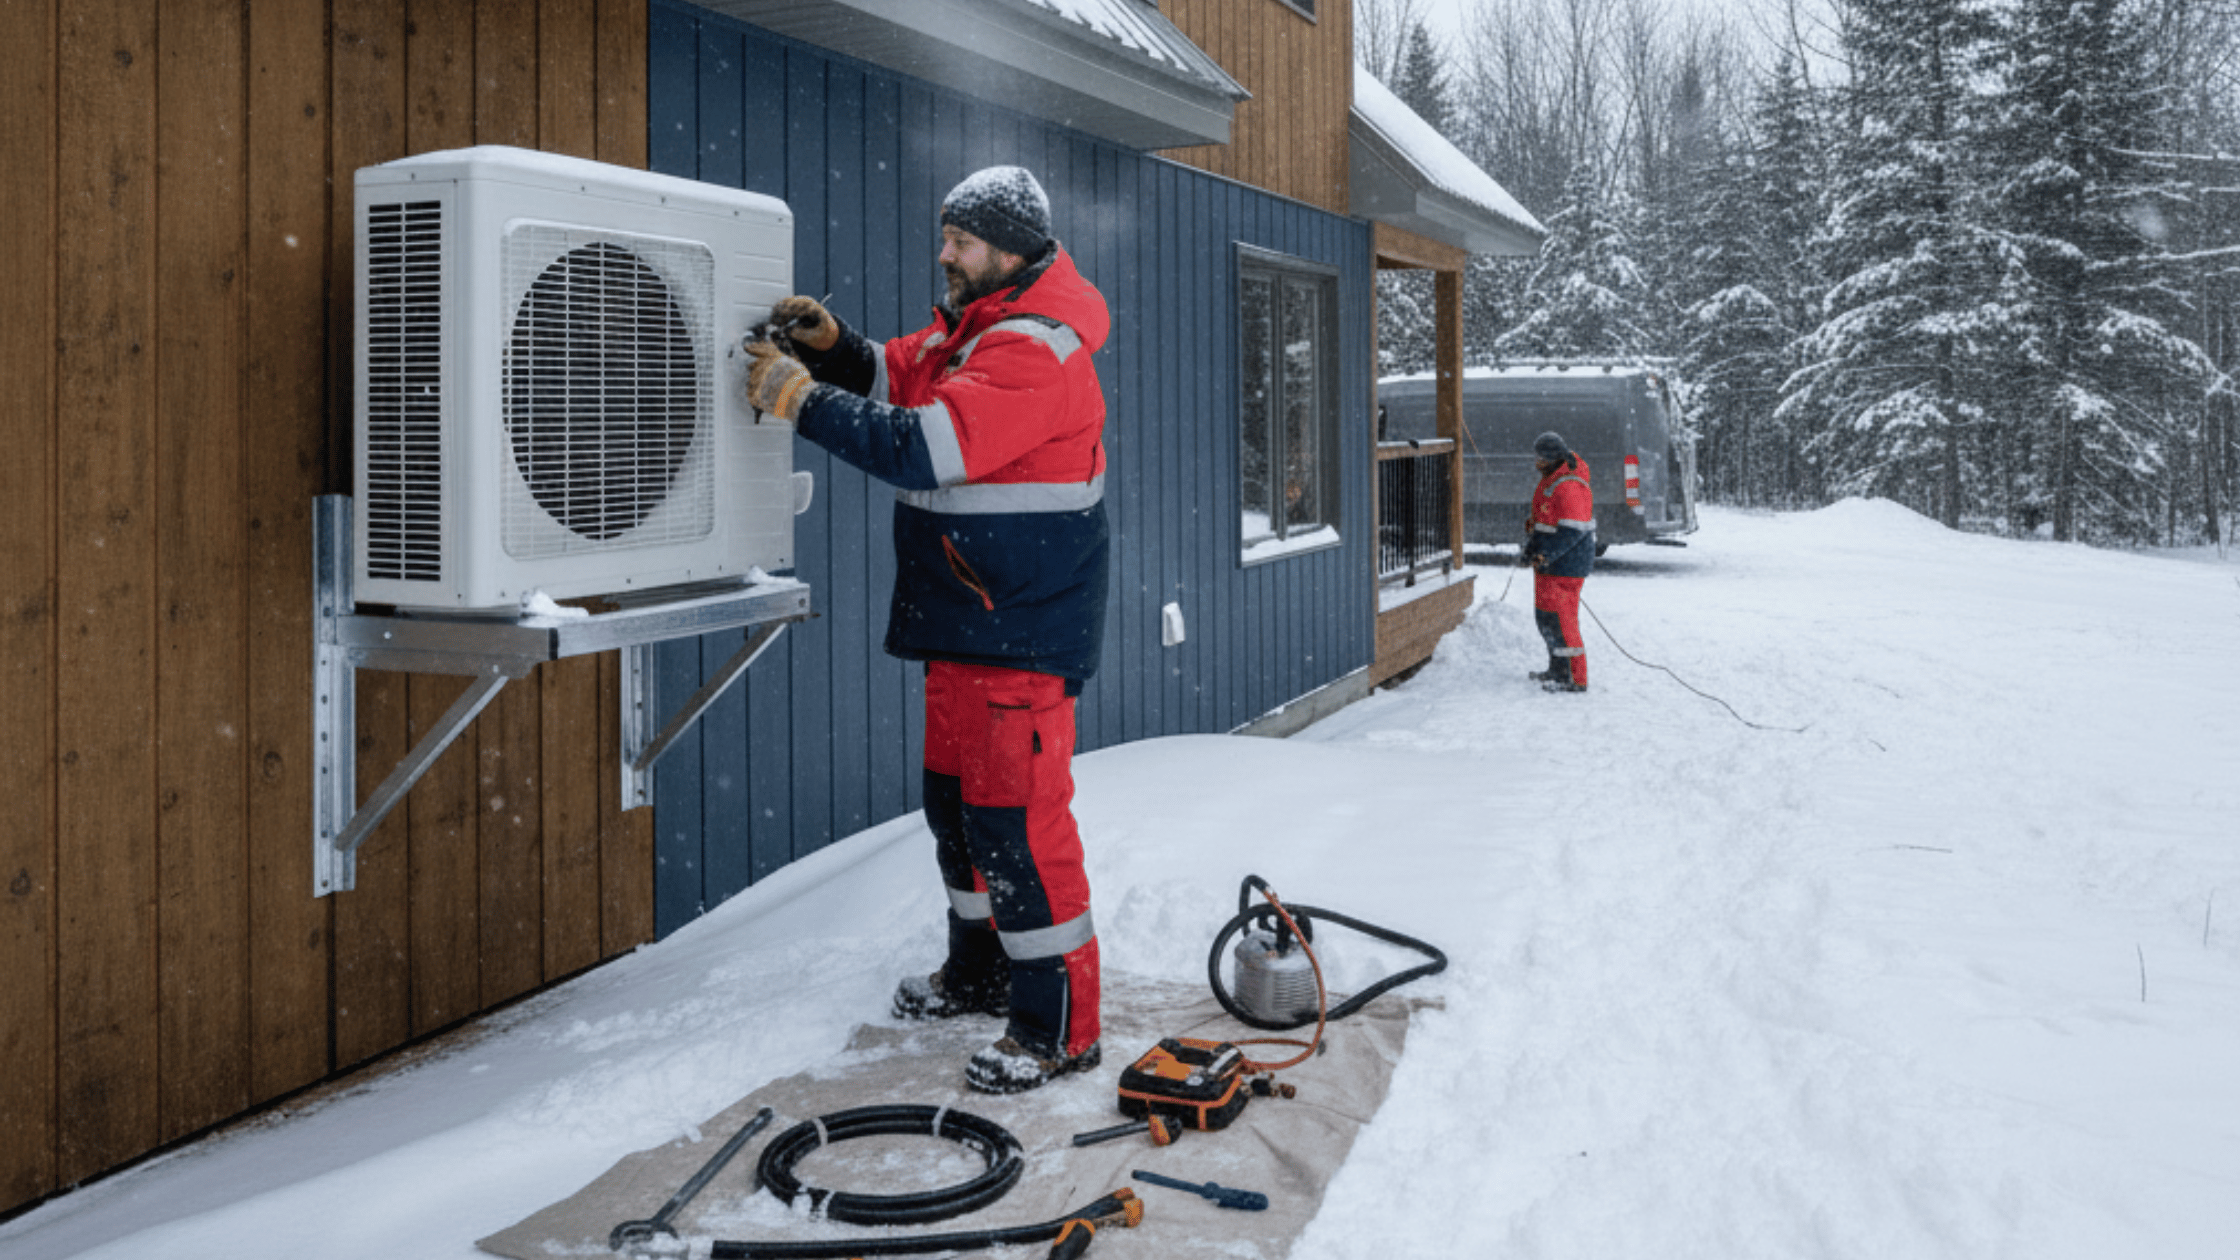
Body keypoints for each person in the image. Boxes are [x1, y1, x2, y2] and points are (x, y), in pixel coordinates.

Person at [741, 166, 1110, 1094]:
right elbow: (901, 376)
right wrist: (834, 349)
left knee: (1018, 830)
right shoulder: (974, 327)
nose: (943, 253)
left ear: (1011, 250)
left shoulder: (1034, 349)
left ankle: (1058, 1026)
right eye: (945, 234)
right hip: (965, 625)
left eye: (962, 240)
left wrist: (798, 398)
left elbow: (924, 445)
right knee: (958, 816)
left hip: (1016, 636)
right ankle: (980, 974)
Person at [1522, 431, 1594, 692]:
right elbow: (1545, 523)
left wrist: (1547, 555)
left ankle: (1575, 678)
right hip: (1549, 566)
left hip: (1566, 566)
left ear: (1554, 458)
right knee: (1547, 618)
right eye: (1536, 456)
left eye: (1541, 458)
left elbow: (1573, 531)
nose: (1536, 462)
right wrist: (1532, 549)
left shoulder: (1570, 486)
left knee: (1562, 621)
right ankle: (1557, 669)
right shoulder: (1551, 480)